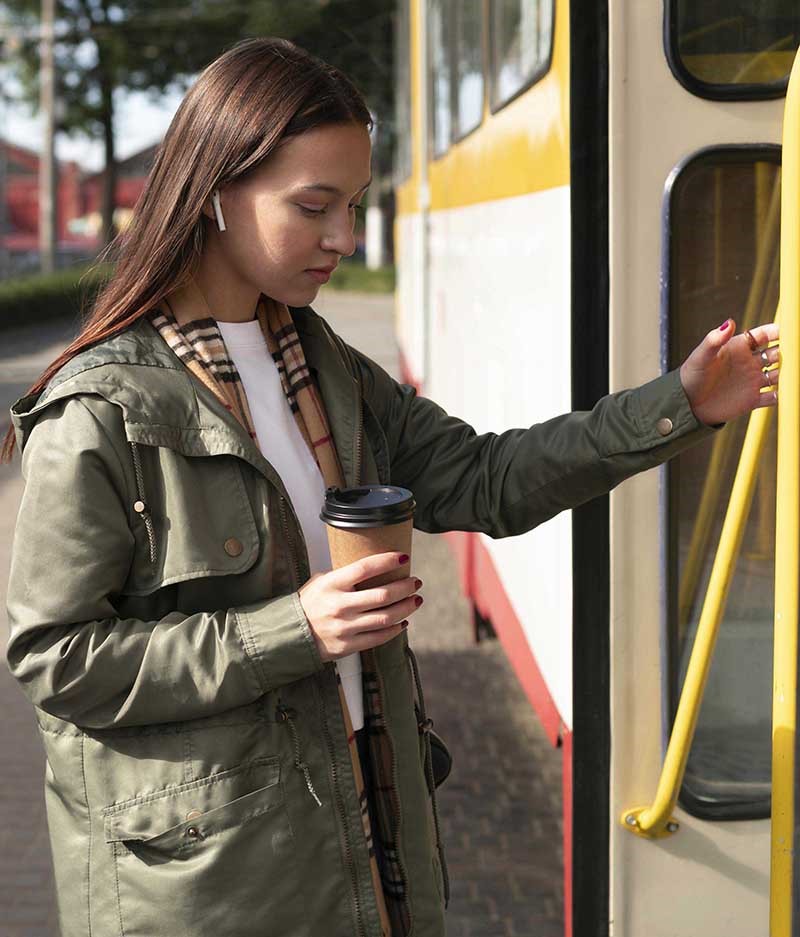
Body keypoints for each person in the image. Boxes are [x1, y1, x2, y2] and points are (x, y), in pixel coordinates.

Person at [2, 37, 780, 937]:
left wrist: (680, 404)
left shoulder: (323, 364)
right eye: (314, 206)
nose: (345, 238)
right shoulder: (100, 408)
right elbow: (56, 659)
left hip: (364, 831)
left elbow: (489, 478)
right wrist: (295, 628)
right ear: (214, 192)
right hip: (210, 888)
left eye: (356, 205)